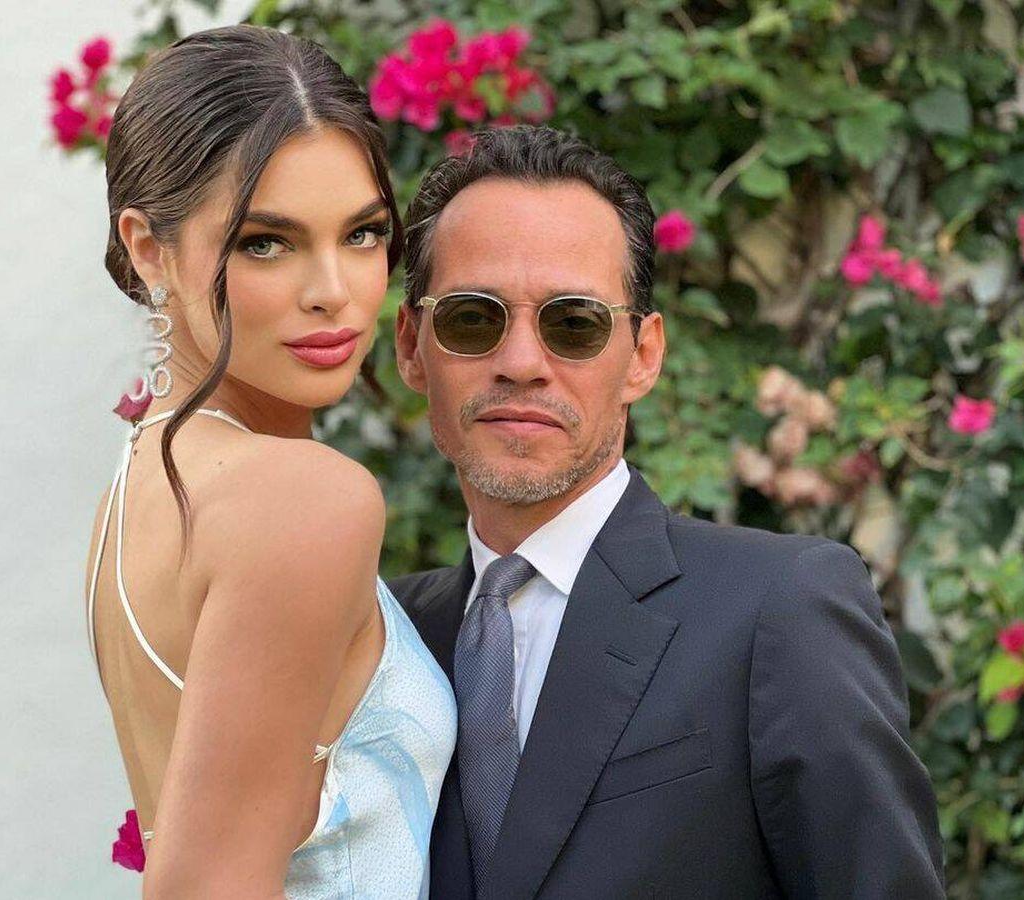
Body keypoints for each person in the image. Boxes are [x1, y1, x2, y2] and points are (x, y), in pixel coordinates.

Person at [389, 125, 945, 899]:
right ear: (411, 346)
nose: (521, 363)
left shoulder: (778, 609)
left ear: (643, 356)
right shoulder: (383, 634)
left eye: (573, 323)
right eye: (473, 318)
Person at [83, 25, 455, 898]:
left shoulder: (135, 492)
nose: (334, 290)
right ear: (148, 248)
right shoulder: (301, 498)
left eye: (363, 234)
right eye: (266, 242)